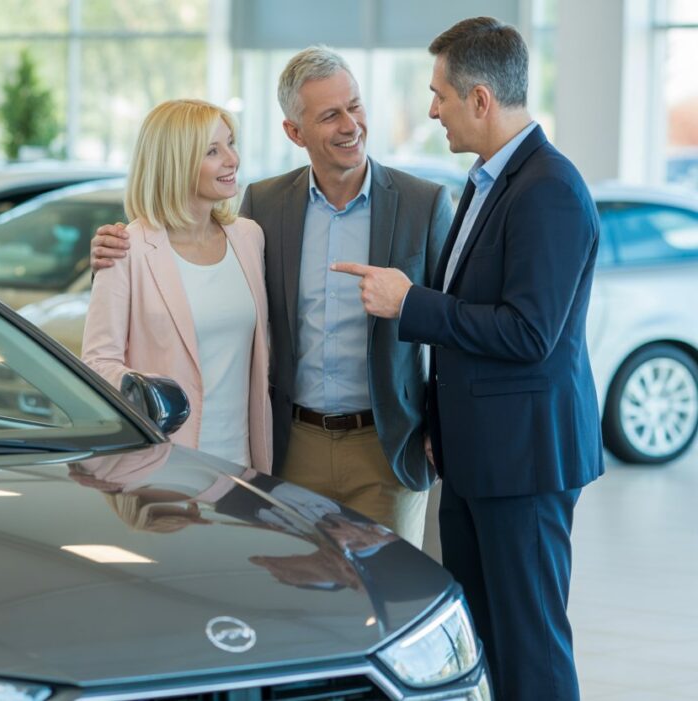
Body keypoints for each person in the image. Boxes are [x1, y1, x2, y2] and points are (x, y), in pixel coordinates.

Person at [332, 17, 603, 700]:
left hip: (522, 464)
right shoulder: (491, 181)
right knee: (482, 639)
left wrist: (409, 302)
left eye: (440, 95)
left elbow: (528, 332)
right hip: (478, 458)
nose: (431, 110)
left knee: (531, 646)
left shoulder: (549, 189)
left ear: (480, 99)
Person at [92, 47, 453, 547]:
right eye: (330, 115)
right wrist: (110, 250)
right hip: (285, 448)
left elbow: (450, 324)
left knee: (381, 606)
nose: (351, 125)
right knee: (287, 601)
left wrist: (443, 424)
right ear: (295, 132)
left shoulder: (423, 204)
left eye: (355, 106)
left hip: (384, 446)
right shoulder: (262, 210)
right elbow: (107, 355)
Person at [81, 99, 272, 472]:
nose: (232, 159)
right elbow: (97, 363)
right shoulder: (127, 248)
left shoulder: (249, 237)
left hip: (244, 462)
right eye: (213, 151)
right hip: (164, 464)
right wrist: (154, 393)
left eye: (231, 143)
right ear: (177, 163)